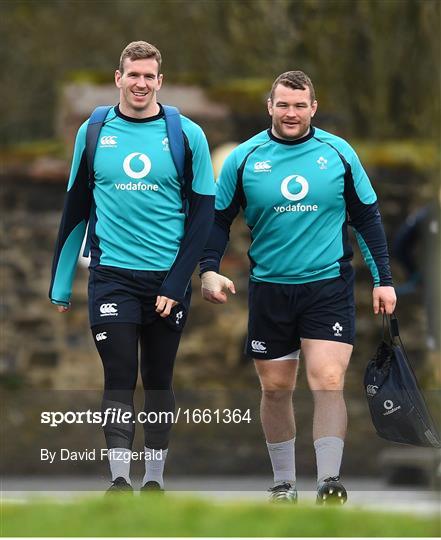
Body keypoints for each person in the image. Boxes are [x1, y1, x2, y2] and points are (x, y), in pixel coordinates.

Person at [200, 71, 396, 504]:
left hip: (327, 284)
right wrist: (208, 269)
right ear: (270, 106)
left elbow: (366, 217)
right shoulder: (245, 158)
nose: (292, 113)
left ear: (313, 108)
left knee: (327, 378)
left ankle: (329, 482)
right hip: (270, 288)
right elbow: (216, 220)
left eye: (300, 105)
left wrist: (383, 279)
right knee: (275, 388)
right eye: (283, 105)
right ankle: (284, 484)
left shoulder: (338, 153)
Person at [49, 41, 215, 493]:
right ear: (118, 78)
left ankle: (155, 480)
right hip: (112, 277)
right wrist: (61, 284)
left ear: (160, 81)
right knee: (119, 373)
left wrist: (178, 282)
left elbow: (203, 218)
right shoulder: (94, 131)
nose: (140, 83)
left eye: (149, 76)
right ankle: (120, 478)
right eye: (133, 75)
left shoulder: (187, 135)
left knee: (158, 378)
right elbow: (74, 210)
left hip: (167, 278)